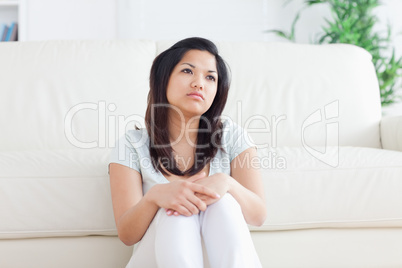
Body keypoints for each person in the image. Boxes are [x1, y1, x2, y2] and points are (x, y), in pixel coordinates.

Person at [109, 37, 267, 268]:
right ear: (164, 79)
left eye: (210, 77)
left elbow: (258, 215)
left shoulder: (233, 136)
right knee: (176, 210)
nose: (199, 83)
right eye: (187, 71)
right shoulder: (132, 144)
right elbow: (127, 234)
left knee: (223, 202)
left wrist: (227, 183)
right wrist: (156, 197)